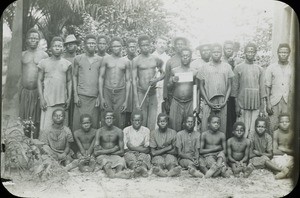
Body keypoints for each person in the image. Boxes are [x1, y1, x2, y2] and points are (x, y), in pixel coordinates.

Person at [37, 37, 72, 137]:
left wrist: (69, 98)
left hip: (62, 101)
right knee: (46, 127)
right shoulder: (43, 63)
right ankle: (45, 148)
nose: (57, 48)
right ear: (50, 48)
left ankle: (60, 148)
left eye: (60, 46)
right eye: (55, 46)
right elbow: (39, 80)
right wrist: (41, 98)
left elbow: (69, 81)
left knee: (62, 127)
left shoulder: (67, 64)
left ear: (63, 48)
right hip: (48, 101)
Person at [231, 43, 266, 138]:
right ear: (245, 53)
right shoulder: (238, 68)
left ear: (255, 53)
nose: (250, 53)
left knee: (253, 130)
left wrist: (262, 107)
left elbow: (262, 89)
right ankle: (240, 148)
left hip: (255, 104)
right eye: (248, 51)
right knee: (241, 128)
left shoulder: (260, 69)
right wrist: (236, 106)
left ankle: (250, 149)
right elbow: (235, 89)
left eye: (252, 51)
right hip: (242, 103)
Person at [198, 43, 234, 134]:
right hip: (208, 100)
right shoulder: (204, 67)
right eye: (214, 52)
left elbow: (230, 85)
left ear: (221, 53)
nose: (216, 54)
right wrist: (207, 101)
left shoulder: (227, 67)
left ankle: (220, 147)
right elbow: (201, 86)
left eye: (218, 51)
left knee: (221, 126)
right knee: (206, 126)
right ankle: (205, 147)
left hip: (222, 101)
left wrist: (225, 101)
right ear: (211, 53)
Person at [20, 28, 48, 138]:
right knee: (23, 118)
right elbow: (18, 74)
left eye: (36, 38)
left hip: (38, 92)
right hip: (25, 92)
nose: (33, 40)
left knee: (36, 119)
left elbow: (46, 75)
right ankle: (24, 142)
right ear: (26, 40)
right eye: (31, 38)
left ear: (39, 40)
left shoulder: (44, 55)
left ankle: (35, 142)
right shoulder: (22, 55)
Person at [132, 35, 164, 131]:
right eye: (143, 45)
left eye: (147, 45)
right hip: (141, 93)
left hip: (153, 93)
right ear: (139, 46)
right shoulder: (136, 60)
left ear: (150, 45)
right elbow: (133, 81)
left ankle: (151, 143)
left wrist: (156, 80)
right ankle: (143, 143)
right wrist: (136, 101)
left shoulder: (155, 59)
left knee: (152, 120)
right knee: (142, 119)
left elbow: (163, 73)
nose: (145, 47)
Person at [99, 37, 131, 129]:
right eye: (114, 46)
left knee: (120, 118)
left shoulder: (126, 61)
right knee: (106, 116)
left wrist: (126, 101)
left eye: (118, 46)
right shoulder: (105, 59)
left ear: (122, 47)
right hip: (107, 91)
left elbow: (128, 81)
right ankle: (105, 141)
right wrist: (102, 97)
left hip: (121, 92)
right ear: (110, 47)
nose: (116, 48)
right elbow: (101, 77)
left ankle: (118, 140)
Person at [73, 34, 102, 131]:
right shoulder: (78, 58)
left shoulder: (100, 60)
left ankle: (93, 145)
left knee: (93, 123)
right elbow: (74, 76)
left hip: (94, 97)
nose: (91, 45)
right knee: (78, 123)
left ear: (96, 45)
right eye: (89, 43)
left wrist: (99, 96)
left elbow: (101, 79)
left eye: (93, 43)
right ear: (84, 45)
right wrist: (75, 95)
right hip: (81, 96)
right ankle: (76, 146)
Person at [94, 111, 131, 178]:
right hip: (103, 156)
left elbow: (122, 152)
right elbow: (96, 152)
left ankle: (118, 172)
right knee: (104, 162)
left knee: (121, 161)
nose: (109, 120)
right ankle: (109, 172)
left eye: (110, 118)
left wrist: (109, 152)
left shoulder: (119, 131)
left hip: (115, 155)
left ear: (114, 119)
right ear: (104, 120)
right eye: (107, 118)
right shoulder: (99, 131)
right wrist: (113, 149)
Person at [265, 43, 293, 134]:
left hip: (287, 101)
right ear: (277, 53)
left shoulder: (293, 68)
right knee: (273, 125)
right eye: (281, 52)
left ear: (289, 53)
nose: (283, 54)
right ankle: (272, 147)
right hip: (274, 101)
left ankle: (284, 146)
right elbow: (267, 86)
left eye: (285, 52)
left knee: (286, 125)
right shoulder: (271, 67)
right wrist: (268, 103)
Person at [168, 48, 197, 131]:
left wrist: (196, 105)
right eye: (183, 56)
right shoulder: (174, 71)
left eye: (187, 56)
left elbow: (196, 89)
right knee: (174, 126)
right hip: (177, 101)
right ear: (180, 57)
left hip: (189, 102)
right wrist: (172, 81)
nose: (185, 57)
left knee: (189, 126)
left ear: (190, 57)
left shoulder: (194, 72)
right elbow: (169, 87)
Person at [222, 41, 242, 139]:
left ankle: (232, 140)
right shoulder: (221, 61)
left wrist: (234, 64)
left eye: (230, 49)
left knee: (233, 116)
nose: (229, 50)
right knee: (224, 118)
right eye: (227, 48)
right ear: (223, 49)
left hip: (234, 93)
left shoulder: (238, 60)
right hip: (224, 92)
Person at [163, 37, 188, 115]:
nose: (180, 46)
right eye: (178, 44)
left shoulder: (189, 60)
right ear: (175, 46)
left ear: (185, 46)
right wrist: (165, 97)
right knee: (174, 117)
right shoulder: (170, 61)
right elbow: (166, 79)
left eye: (182, 44)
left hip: (187, 95)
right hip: (173, 95)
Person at [123, 110, 151, 177]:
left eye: (139, 120)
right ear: (131, 120)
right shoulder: (126, 130)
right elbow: (125, 149)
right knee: (130, 158)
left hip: (141, 153)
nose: (137, 122)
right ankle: (135, 169)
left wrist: (132, 147)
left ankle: (143, 169)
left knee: (144, 157)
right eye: (135, 120)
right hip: (129, 152)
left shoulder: (146, 130)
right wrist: (139, 149)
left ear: (142, 121)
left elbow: (147, 149)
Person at [63, 34, 79, 132]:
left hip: (77, 90)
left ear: (76, 45)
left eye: (72, 44)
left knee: (75, 113)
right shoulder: (62, 58)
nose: (70, 46)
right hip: (65, 89)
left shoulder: (80, 58)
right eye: (68, 44)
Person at [152, 36, 170, 120]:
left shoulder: (169, 59)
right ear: (155, 45)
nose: (162, 45)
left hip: (163, 88)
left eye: (164, 43)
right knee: (152, 110)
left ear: (166, 46)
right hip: (151, 87)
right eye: (159, 43)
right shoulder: (150, 57)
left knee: (161, 110)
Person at [271, 114, 294, 179]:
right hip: (279, 156)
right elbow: (275, 151)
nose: (284, 123)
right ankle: (285, 172)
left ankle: (285, 172)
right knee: (277, 162)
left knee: (293, 161)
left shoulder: (292, 133)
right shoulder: (276, 133)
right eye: (282, 122)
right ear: (278, 123)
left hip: (290, 156)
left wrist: (284, 150)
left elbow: (295, 152)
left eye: (286, 122)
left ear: (290, 123)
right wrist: (288, 152)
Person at [124, 38, 138, 127]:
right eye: (130, 47)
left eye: (134, 47)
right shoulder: (123, 60)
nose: (132, 49)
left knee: (136, 112)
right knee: (125, 113)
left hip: (136, 90)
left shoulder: (140, 59)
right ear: (126, 48)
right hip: (125, 89)